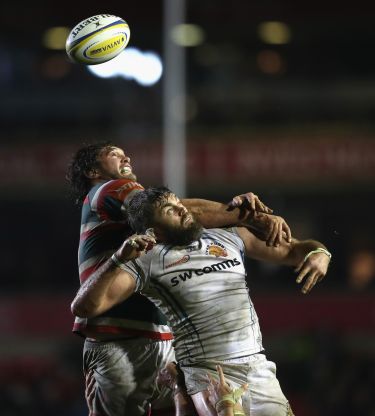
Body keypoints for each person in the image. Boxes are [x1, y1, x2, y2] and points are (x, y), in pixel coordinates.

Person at [66, 143, 292, 416]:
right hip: (117, 336)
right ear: (93, 170)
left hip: (161, 335)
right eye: (114, 154)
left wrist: (313, 250)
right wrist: (251, 216)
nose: (126, 156)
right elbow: (179, 209)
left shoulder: (136, 220)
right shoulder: (107, 190)